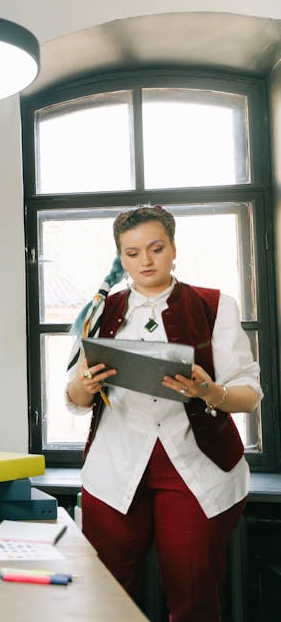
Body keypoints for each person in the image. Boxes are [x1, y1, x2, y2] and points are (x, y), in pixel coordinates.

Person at [65, 205, 261, 622]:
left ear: (174, 248)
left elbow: (249, 395)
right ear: (121, 257)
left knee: (194, 598)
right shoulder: (100, 311)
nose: (146, 261)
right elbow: (75, 398)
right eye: (132, 253)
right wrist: (83, 387)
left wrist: (208, 390)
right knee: (106, 597)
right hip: (115, 467)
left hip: (197, 465)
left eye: (156, 248)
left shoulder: (214, 305)